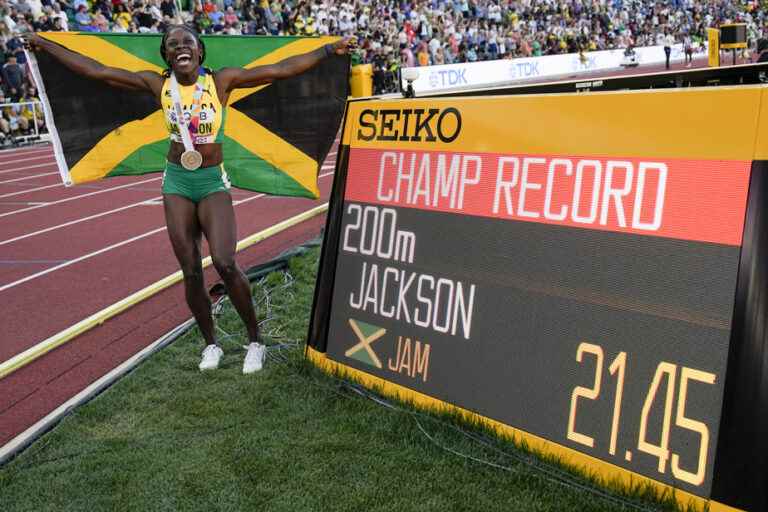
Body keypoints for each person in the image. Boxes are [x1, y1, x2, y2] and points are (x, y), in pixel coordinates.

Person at [25, 26, 354, 373]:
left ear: (200, 51)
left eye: (187, 42)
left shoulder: (222, 81)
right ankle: (211, 345)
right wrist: (46, 45)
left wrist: (329, 51)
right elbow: (97, 71)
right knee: (191, 271)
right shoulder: (157, 84)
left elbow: (280, 70)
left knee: (225, 262)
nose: (181, 47)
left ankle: (255, 341)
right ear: (166, 55)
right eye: (173, 44)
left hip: (211, 182)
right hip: (177, 183)